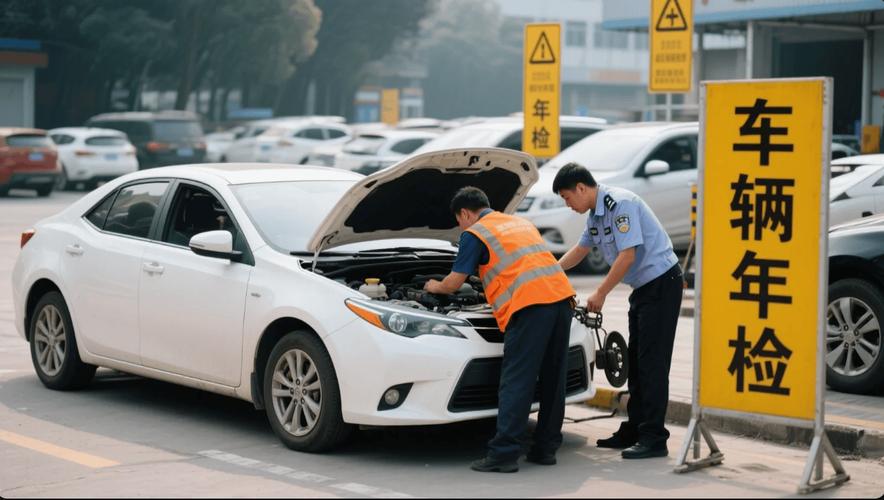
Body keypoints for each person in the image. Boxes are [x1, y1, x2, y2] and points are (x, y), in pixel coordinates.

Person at [424, 186, 576, 473]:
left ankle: (504, 453)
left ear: (466, 213)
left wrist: (433, 286)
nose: (460, 227)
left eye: (459, 221)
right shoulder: (520, 222)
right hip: (561, 298)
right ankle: (545, 449)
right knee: (554, 379)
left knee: (517, 380)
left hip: (530, 307)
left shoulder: (476, 232)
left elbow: (454, 283)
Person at [552, 162, 683, 459]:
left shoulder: (619, 204)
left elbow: (627, 255)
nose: (567, 204)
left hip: (661, 285)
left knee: (652, 363)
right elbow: (580, 249)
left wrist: (601, 293)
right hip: (644, 289)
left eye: (567, 197)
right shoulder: (595, 215)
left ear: (582, 188)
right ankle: (636, 427)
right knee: (637, 361)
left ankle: (654, 437)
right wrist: (550, 271)